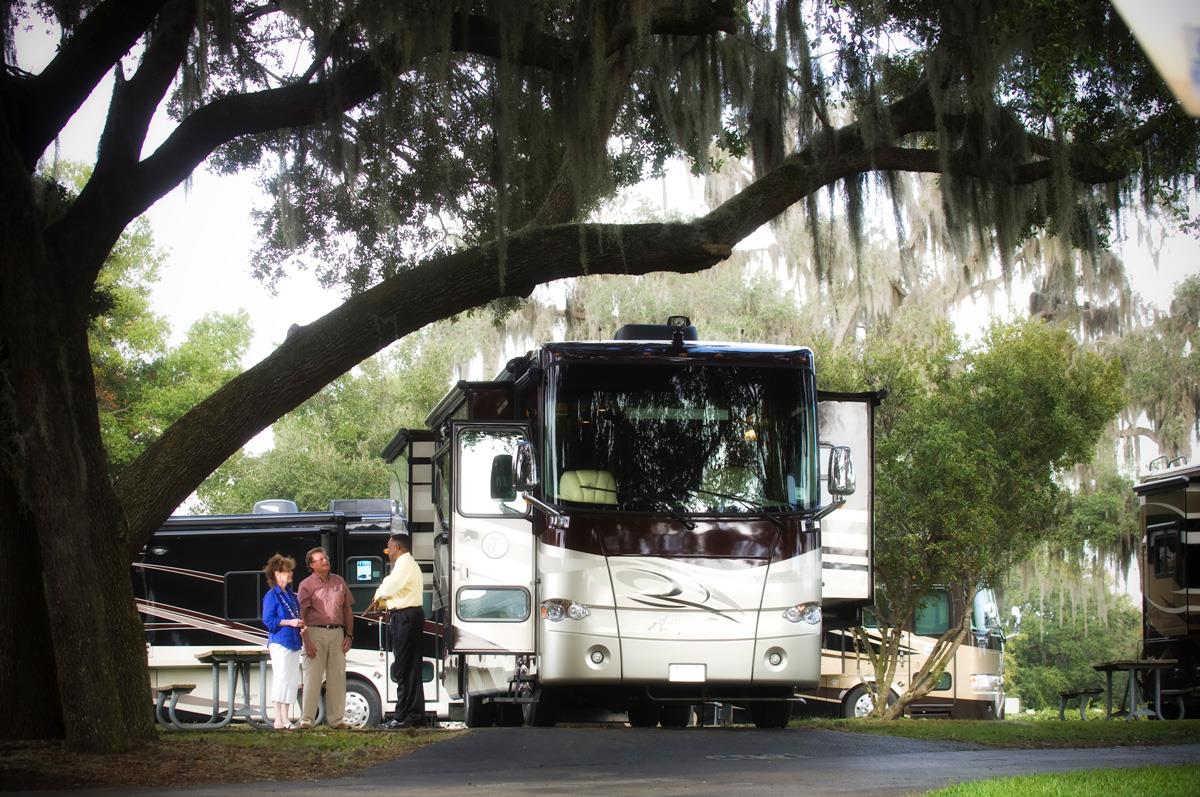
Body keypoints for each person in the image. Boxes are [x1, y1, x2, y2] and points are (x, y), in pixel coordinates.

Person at [367, 533, 427, 728]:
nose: (388, 552)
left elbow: (388, 587)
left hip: (405, 617)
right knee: (409, 668)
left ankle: (404, 716)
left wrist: (377, 596)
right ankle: (411, 714)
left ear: (397, 548)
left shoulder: (404, 565)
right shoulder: (407, 565)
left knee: (404, 668)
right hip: (408, 616)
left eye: (389, 548)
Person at [297, 546, 355, 729]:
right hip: (315, 632)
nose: (325, 560)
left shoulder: (339, 581)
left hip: (337, 632)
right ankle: (307, 719)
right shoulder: (306, 584)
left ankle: (337, 720)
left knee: (337, 677)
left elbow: (347, 609)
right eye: (320, 559)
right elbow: (302, 615)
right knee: (312, 678)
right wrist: (306, 640)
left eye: (326, 557)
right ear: (312, 565)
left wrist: (349, 635)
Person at [261, 553, 305, 729]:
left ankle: (285, 717)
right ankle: (279, 718)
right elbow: (269, 621)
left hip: (294, 641)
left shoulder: (291, 596)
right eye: (287, 571)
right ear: (277, 574)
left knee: (292, 679)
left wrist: (300, 624)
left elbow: (296, 615)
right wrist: (290, 622)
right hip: (280, 641)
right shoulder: (272, 595)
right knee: (281, 678)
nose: (290, 574)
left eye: (290, 571)